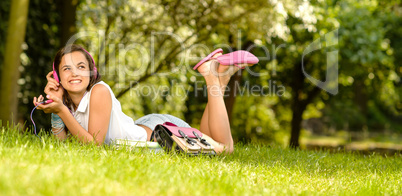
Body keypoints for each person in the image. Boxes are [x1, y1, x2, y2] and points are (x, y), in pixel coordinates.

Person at [33, 44, 258, 154]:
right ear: (57, 77)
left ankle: (212, 77)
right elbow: (62, 147)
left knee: (225, 149)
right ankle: (221, 78)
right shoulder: (71, 104)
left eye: (81, 67)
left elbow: (94, 145)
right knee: (210, 137)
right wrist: (56, 108)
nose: (74, 73)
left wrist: (61, 110)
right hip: (150, 126)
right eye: (66, 69)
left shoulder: (99, 91)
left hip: (163, 133)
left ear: (92, 72)